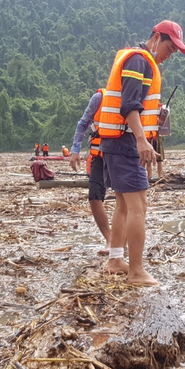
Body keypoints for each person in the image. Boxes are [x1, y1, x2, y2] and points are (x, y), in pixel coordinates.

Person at [98, 20, 185, 286]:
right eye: (169, 48)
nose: (169, 56)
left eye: (173, 52)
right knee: (139, 206)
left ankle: (116, 259)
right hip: (126, 142)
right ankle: (136, 271)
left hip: (117, 141)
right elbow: (129, 105)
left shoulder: (140, 61)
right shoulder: (139, 61)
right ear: (156, 37)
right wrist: (141, 140)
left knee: (124, 204)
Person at [70, 89, 111, 256]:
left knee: (126, 199)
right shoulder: (99, 98)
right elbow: (83, 123)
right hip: (99, 156)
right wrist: (75, 150)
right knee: (94, 195)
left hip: (122, 155)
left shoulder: (132, 94)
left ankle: (123, 240)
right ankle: (110, 239)